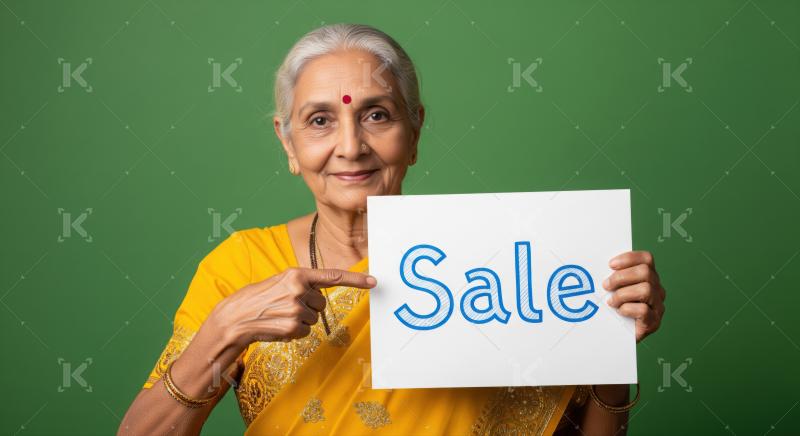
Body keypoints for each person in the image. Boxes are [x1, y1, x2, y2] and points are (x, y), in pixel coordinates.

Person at [118, 23, 666, 436]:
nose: (351, 146)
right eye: (320, 120)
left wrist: (608, 342)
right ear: (288, 143)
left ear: (415, 129)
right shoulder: (240, 266)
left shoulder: (509, 261)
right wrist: (224, 331)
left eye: (376, 115)